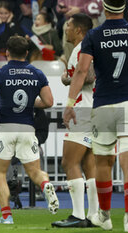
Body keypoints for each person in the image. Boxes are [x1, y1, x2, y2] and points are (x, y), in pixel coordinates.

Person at [0, 35, 59, 224]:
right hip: (28, 127)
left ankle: (7, 216)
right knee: (35, 172)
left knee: (0, 173)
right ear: (27, 53)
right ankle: (45, 185)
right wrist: (30, 103)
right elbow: (48, 102)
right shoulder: (37, 73)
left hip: (5, 127)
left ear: (6, 53)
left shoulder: (0, 73)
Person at [63, 0, 128, 231]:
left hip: (100, 105)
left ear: (103, 6)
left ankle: (99, 215)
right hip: (125, 100)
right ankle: (120, 216)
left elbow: (83, 72)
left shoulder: (94, 36)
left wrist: (70, 102)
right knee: (121, 158)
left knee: (97, 160)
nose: (66, 28)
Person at [51, 13, 98, 228]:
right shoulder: (87, 47)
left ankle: (78, 215)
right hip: (95, 108)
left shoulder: (83, 48)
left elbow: (89, 75)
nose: (65, 29)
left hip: (82, 109)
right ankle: (95, 215)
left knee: (69, 162)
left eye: (68, 25)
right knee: (90, 164)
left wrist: (68, 78)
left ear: (78, 29)